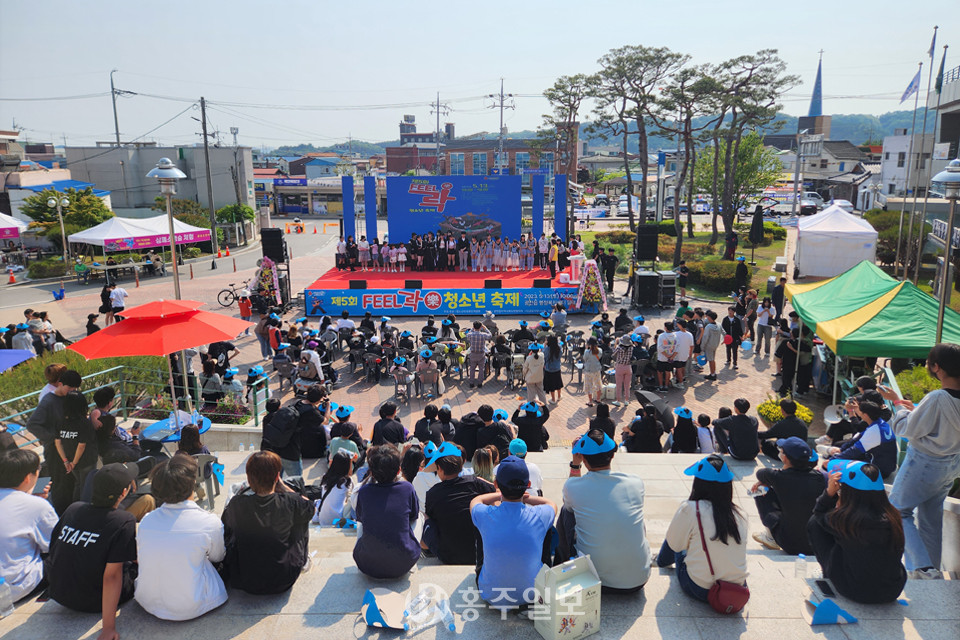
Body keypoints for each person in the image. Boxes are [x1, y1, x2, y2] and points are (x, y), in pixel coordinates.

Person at [881, 343, 960, 579]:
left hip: (925, 463)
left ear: (937, 367)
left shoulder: (937, 398)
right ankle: (930, 570)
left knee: (897, 510)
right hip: (951, 465)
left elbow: (906, 429)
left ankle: (923, 567)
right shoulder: (945, 400)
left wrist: (897, 405)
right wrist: (913, 408)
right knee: (930, 519)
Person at [557, 430, 651, 592]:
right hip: (637, 580)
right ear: (612, 455)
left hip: (591, 579)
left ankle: (561, 562)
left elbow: (569, 503)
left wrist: (575, 464)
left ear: (583, 458)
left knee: (567, 511)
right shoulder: (635, 482)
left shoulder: (574, 486)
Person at [135, 455, 227, 620]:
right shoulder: (208, 522)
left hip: (147, 600)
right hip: (191, 605)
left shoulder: (146, 521)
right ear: (192, 484)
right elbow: (218, 557)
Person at [807, 461, 906, 603]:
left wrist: (829, 494)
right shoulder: (893, 516)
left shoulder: (843, 520)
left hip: (854, 591)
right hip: (892, 590)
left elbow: (818, 514)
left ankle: (827, 572)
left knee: (815, 524)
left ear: (848, 492)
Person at [657, 456, 749, 604]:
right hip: (736, 588)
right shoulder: (740, 515)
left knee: (679, 541)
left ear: (698, 484)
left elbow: (674, 545)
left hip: (700, 588)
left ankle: (659, 561)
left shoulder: (691, 508)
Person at [221, 451, 314, 594]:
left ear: (249, 479)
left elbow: (225, 528)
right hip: (284, 579)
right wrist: (283, 487)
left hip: (245, 579)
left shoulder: (236, 504)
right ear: (277, 477)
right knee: (300, 515)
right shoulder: (290, 501)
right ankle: (303, 560)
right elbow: (310, 508)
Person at [470, 456, 557, 608]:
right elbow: (551, 504)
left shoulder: (486, 515)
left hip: (491, 595)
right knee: (547, 528)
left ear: (496, 484)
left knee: (479, 525)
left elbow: (476, 501)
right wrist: (526, 499)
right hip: (532, 594)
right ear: (528, 485)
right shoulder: (539, 516)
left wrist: (499, 494)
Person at [352, 445, 421, 579]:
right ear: (398, 470)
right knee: (420, 518)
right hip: (404, 564)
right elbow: (413, 516)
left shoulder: (364, 491)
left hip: (367, 565)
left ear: (371, 471)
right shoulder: (407, 488)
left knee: (361, 523)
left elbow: (360, 518)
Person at [421, 442, 495, 564]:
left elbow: (433, 522)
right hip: (479, 551)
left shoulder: (432, 493)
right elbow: (495, 491)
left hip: (447, 556)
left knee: (422, 516)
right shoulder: (476, 483)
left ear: (439, 469)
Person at [0, 449, 58, 602]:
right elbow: (55, 544)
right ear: (27, 478)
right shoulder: (36, 505)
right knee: (66, 551)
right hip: (12, 588)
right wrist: (38, 501)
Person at [749, 437, 825, 555]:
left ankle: (770, 537)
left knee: (760, 488)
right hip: (816, 544)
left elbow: (760, 474)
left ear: (785, 458)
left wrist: (773, 477)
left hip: (789, 543)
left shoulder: (777, 476)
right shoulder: (820, 478)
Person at [822, 400, 897, 479]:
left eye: (860, 411)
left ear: (865, 415)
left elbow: (854, 451)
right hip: (883, 463)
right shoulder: (880, 423)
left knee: (829, 465)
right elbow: (858, 438)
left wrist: (832, 460)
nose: (858, 413)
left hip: (878, 470)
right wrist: (841, 450)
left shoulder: (875, 431)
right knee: (839, 454)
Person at [52, 390, 98, 513]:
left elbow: (58, 442)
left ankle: (74, 510)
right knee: (87, 487)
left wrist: (66, 461)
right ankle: (83, 512)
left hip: (69, 459)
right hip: (85, 461)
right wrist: (75, 463)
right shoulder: (84, 423)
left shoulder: (60, 421)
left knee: (78, 484)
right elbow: (81, 446)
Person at [261, 397, 304, 478]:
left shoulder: (266, 418)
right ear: (279, 407)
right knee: (296, 479)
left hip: (271, 452)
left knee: (276, 478)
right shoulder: (286, 418)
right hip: (288, 453)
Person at [313, 451, 355, 526]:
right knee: (351, 501)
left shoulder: (325, 476)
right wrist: (350, 461)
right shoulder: (347, 481)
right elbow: (350, 473)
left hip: (322, 519)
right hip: (337, 520)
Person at [295, 385, 329, 459]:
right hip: (313, 449)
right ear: (318, 398)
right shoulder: (311, 411)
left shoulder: (298, 403)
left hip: (300, 442)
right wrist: (328, 405)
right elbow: (326, 421)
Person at [465, 321, 492, 389]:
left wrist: (472, 328)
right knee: (481, 369)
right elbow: (490, 335)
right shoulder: (483, 335)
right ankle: (480, 383)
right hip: (481, 354)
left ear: (474, 327)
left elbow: (467, 334)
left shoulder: (471, 334)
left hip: (473, 353)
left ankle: (471, 383)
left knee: (472, 369)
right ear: (480, 327)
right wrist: (485, 328)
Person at [700, 311, 722, 381]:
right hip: (715, 344)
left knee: (711, 360)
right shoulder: (719, 324)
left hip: (709, 346)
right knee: (712, 359)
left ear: (710, 317)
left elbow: (705, 338)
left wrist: (702, 347)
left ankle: (712, 374)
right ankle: (713, 373)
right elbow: (723, 332)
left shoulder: (708, 327)